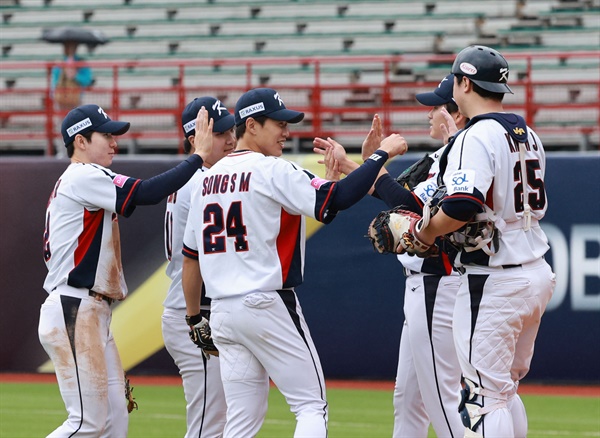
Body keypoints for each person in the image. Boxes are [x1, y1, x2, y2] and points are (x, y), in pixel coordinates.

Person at [181, 87, 408, 438]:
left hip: (223, 311)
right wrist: (380, 155)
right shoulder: (271, 169)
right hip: (265, 301)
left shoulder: (205, 180)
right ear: (252, 125)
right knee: (310, 406)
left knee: (240, 420)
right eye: (278, 123)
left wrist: (195, 316)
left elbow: (192, 256)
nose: (287, 131)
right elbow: (340, 198)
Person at [38, 103, 214, 437]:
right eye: (106, 134)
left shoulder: (81, 178)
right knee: (87, 423)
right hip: (74, 307)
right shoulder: (82, 175)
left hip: (89, 310)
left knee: (115, 420)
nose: (114, 142)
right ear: (80, 141)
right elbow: (146, 193)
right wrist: (197, 157)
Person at [411, 45, 556, 437]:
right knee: (504, 390)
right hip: (535, 270)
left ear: (463, 82)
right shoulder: (527, 132)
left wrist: (423, 233)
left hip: (495, 277)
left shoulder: (475, 135)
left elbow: (462, 203)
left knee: (484, 396)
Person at [315, 75, 467, 438]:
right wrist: (359, 165)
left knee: (441, 402)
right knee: (409, 400)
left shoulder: (459, 155)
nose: (429, 113)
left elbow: (410, 205)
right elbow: (396, 194)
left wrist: (375, 163)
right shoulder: (443, 155)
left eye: (436, 106)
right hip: (424, 285)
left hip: (437, 282)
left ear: (456, 113)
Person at [162, 96, 235, 438]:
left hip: (192, 305)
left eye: (231, 129)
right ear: (195, 138)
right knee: (210, 422)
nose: (231, 139)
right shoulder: (201, 180)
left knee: (218, 418)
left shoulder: (193, 177)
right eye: (220, 132)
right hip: (194, 311)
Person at [51, 41, 94, 110]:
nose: (68, 49)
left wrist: (75, 75)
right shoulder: (59, 64)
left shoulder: (81, 63)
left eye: (71, 46)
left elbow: (87, 81)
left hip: (77, 100)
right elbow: (54, 82)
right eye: (66, 46)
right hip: (61, 100)